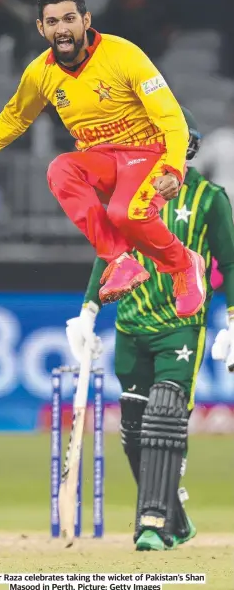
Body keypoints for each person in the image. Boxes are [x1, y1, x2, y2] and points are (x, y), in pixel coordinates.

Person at [0, 0, 206, 317]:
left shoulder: (123, 54)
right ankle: (120, 262)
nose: (62, 29)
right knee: (60, 168)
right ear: (41, 28)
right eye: (52, 22)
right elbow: (14, 119)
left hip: (150, 154)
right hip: (104, 160)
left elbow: (170, 115)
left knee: (124, 213)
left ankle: (184, 264)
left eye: (69, 19)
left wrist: (172, 168)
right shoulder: (41, 73)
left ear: (86, 19)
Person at [66, 107, 234, 551]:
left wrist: (233, 320)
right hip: (132, 322)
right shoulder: (126, 194)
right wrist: (87, 310)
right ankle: (176, 519)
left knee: (164, 411)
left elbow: (231, 263)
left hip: (181, 325)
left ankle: (152, 523)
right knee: (136, 429)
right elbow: (107, 254)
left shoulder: (210, 199)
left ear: (188, 148)